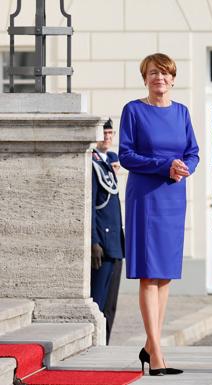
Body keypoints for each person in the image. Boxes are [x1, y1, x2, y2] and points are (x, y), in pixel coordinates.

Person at [119, 53, 200, 376]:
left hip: (173, 196)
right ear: (145, 78)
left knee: (165, 274)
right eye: (153, 73)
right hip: (146, 198)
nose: (160, 79)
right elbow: (126, 155)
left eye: (165, 74)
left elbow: (192, 152)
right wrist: (164, 165)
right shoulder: (133, 110)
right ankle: (157, 353)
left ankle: (151, 346)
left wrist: (185, 168)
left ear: (173, 78)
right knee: (149, 274)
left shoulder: (181, 112)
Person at [91, 118, 123, 345]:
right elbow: (91, 206)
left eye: (111, 133)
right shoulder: (92, 165)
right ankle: (94, 343)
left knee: (110, 305)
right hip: (102, 243)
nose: (107, 137)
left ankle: (106, 343)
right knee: (98, 301)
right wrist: (93, 240)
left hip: (115, 244)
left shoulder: (110, 161)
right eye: (104, 133)